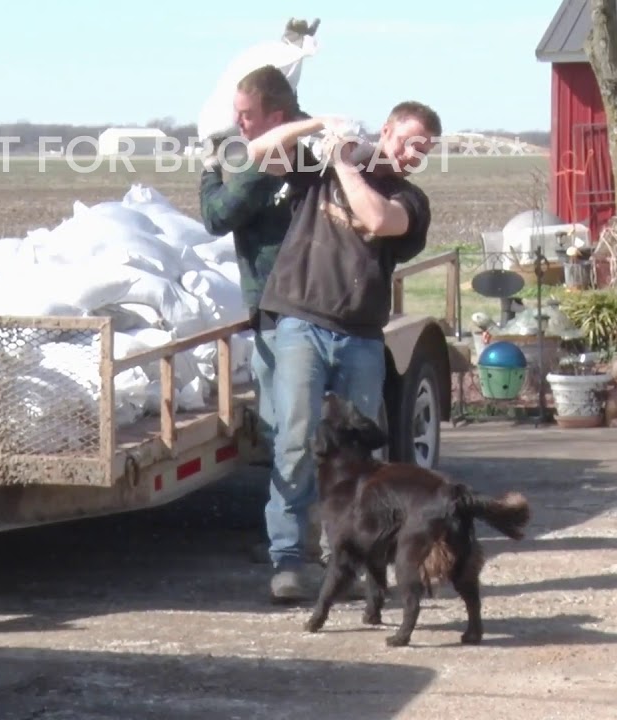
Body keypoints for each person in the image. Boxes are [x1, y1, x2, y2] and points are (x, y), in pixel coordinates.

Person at [246, 101, 442, 601]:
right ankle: (289, 561)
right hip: (300, 322)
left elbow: (376, 218)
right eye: (409, 140)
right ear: (387, 129)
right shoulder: (315, 170)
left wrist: (342, 163)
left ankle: (348, 560)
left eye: (425, 149)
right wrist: (319, 126)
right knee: (294, 442)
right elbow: (257, 152)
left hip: (360, 335)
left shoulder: (409, 199)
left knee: (358, 456)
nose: (414, 153)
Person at [197, 64, 299, 462]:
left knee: (280, 421)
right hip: (315, 302)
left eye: (246, 115)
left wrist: (210, 170)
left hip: (279, 304)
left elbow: (217, 216)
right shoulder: (310, 145)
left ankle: (293, 514)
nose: (237, 122)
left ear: (275, 119)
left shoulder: (263, 165)